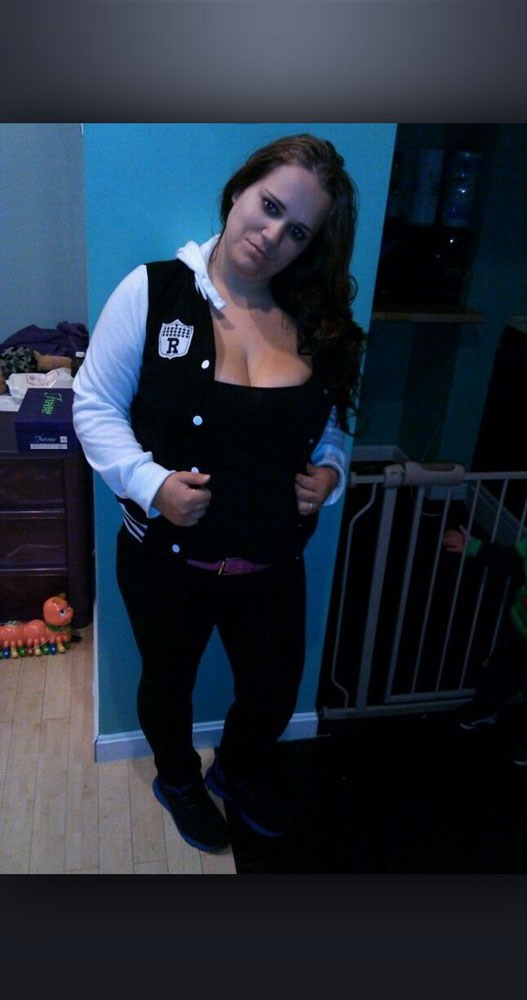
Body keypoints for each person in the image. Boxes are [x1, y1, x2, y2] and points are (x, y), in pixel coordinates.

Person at [72, 133, 366, 853]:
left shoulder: (315, 323)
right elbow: (93, 406)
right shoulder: (152, 292)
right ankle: (177, 780)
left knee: (272, 691)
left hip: (271, 564)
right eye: (269, 207)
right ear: (238, 192)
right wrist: (150, 484)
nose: (272, 235)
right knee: (166, 684)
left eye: (298, 231)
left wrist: (331, 472)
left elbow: (331, 422)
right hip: (167, 562)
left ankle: (234, 771)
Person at [443, 496, 527, 767]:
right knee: (499, 673)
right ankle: (487, 707)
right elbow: (509, 559)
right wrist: (473, 546)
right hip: (520, 629)